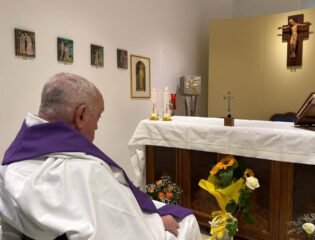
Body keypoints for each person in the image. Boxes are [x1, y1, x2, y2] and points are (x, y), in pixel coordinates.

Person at [0, 73, 201, 239]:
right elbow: (122, 229)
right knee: (188, 223)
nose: (96, 125)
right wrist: (158, 222)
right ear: (80, 115)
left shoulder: (12, 163)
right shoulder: (86, 171)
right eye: (98, 116)